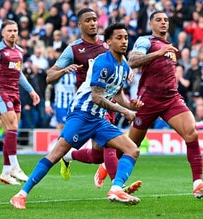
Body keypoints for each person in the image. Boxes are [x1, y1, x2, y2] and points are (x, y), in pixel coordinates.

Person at [10, 22, 144, 209]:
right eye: (119, 38)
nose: (124, 42)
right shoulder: (102, 62)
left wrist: (131, 105)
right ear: (108, 41)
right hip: (81, 114)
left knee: (132, 150)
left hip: (98, 118)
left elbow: (118, 94)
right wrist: (125, 111)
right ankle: (21, 194)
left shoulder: (125, 67)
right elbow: (96, 97)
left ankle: (115, 189)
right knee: (56, 154)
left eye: (126, 38)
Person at [123, 11, 203, 199]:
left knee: (192, 133)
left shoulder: (169, 45)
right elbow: (132, 61)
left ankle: (198, 184)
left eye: (166, 20)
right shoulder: (146, 41)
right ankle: (104, 169)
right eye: (158, 20)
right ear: (151, 24)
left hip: (171, 98)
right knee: (131, 145)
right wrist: (157, 53)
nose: (163, 22)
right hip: (148, 99)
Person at [45, 8, 140, 192]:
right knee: (110, 149)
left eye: (95, 19)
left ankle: (69, 156)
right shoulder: (73, 49)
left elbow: (122, 66)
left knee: (99, 156)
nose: (93, 23)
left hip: (109, 104)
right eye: (88, 20)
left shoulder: (108, 44)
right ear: (80, 25)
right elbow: (49, 75)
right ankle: (118, 187)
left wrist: (128, 71)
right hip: (90, 103)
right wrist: (62, 71)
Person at [0, 20, 40, 185]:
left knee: (11, 130)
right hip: (0, 92)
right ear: (3, 33)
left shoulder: (19, 51)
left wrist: (31, 91)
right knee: (11, 125)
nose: (13, 33)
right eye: (9, 30)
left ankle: (5, 172)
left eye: (15, 30)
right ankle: (15, 167)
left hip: (15, 93)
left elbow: (19, 73)